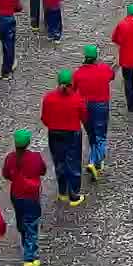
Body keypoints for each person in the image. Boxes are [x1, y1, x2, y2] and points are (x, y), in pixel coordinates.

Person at [39, 70, 86, 205]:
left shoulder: (49, 98)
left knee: (59, 161)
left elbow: (45, 118)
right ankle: (74, 194)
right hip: (72, 133)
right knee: (73, 162)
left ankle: (62, 191)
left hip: (54, 133)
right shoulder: (77, 98)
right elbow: (83, 116)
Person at [1, 130, 46, 266]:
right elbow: (42, 171)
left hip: (16, 194)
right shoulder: (35, 158)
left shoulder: (10, 158)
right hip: (31, 196)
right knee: (32, 222)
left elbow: (6, 174)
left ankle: (25, 239)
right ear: (28, 143)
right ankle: (30, 256)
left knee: (21, 219)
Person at [72, 45, 115, 178]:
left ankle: (95, 159)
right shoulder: (103, 69)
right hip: (100, 105)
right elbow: (112, 76)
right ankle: (95, 161)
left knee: (91, 133)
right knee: (100, 135)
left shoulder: (78, 73)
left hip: (85, 106)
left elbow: (73, 90)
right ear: (96, 57)